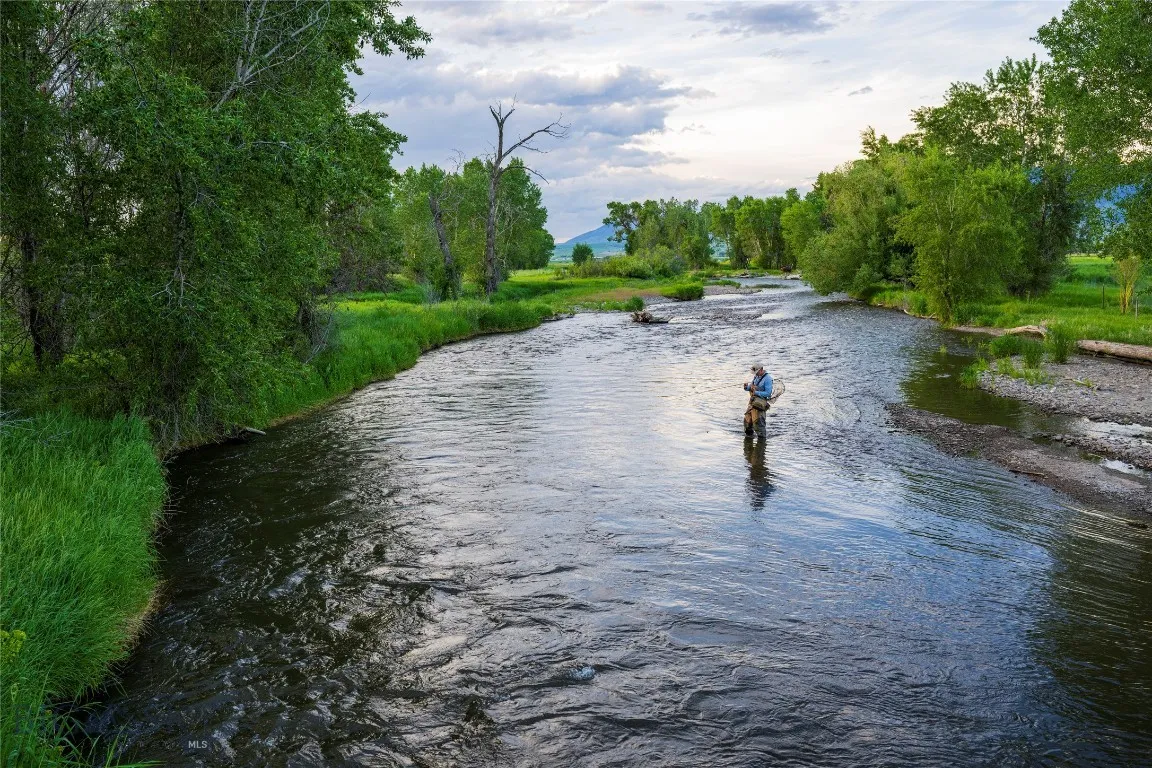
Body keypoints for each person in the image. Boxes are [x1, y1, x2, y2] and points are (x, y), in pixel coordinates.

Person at [743, 364, 773, 436]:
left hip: (760, 403)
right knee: (747, 422)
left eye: (756, 372)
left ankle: (762, 441)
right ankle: (749, 438)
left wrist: (756, 392)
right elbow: (750, 387)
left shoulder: (768, 379)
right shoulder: (756, 376)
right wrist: (746, 387)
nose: (755, 374)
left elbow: (768, 393)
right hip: (752, 402)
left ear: (761, 369)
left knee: (758, 424)